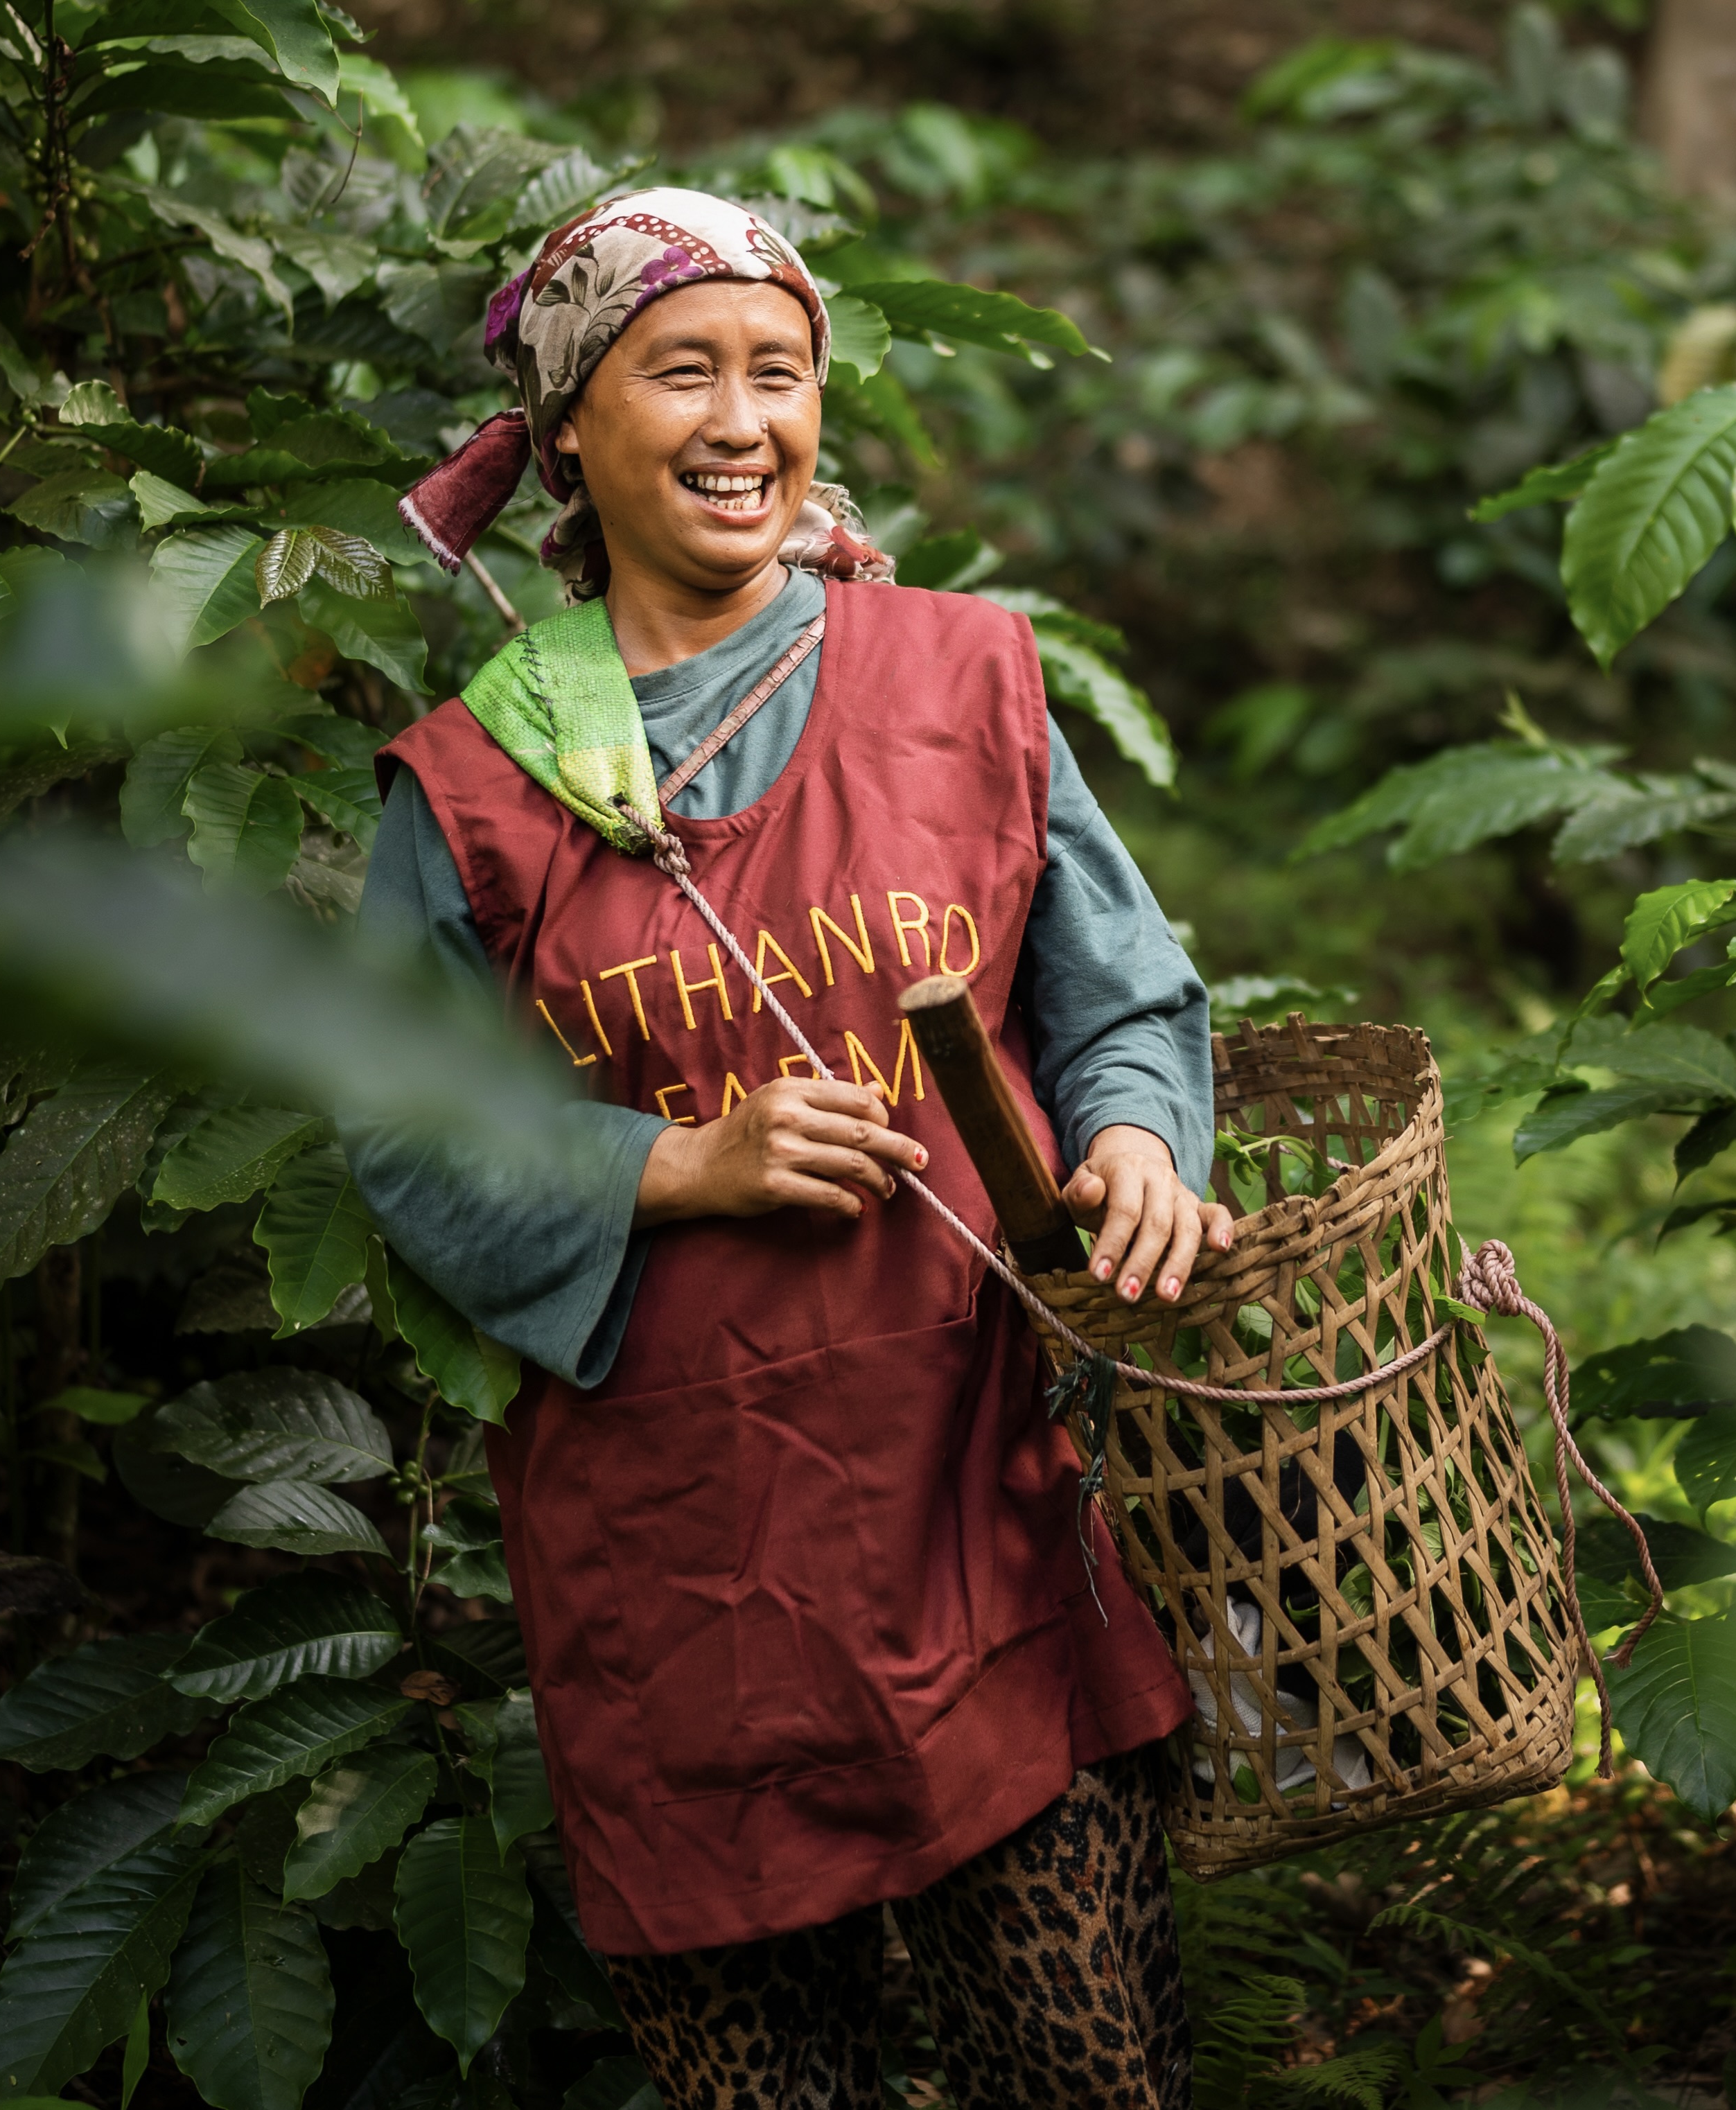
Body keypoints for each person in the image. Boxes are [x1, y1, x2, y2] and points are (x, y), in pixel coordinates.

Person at [350, 189, 1226, 2109]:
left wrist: (1144, 1145)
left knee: (1085, 2074)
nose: (746, 419)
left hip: (982, 1505)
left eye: (782, 371)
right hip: (682, 1579)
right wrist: (681, 1168)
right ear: (572, 424)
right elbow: (406, 1134)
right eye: (686, 371)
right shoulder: (478, 782)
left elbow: (1123, 999)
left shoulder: (962, 681)